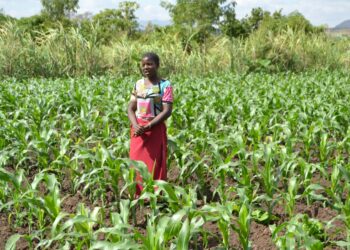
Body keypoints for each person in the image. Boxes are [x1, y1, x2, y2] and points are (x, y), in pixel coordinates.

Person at [127, 52, 173, 196]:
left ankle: (155, 195)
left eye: (150, 64)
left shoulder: (165, 85)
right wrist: (135, 125)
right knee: (136, 162)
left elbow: (167, 111)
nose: (146, 67)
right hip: (138, 129)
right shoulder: (138, 84)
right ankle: (138, 194)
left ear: (157, 66)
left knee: (155, 163)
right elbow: (130, 108)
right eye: (143, 64)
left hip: (155, 128)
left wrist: (149, 125)